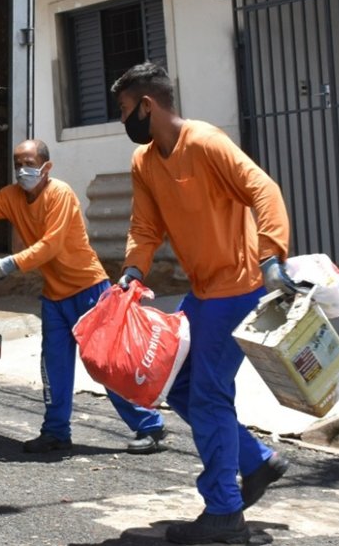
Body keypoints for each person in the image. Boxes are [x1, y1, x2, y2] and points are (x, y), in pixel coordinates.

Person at [111, 62, 294, 544]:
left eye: (126, 110)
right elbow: (146, 227)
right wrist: (134, 268)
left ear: (148, 106)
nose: (123, 120)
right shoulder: (145, 162)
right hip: (202, 293)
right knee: (179, 386)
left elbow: (263, 189)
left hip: (239, 287)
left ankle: (224, 513)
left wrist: (273, 254)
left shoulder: (206, 143)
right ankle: (256, 461)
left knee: (210, 394)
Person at [0, 139, 166, 455]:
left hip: (89, 292)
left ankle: (150, 426)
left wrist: (8, 264)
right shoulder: (12, 197)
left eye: (28, 163)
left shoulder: (61, 194)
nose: (22, 171)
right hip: (54, 296)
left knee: (105, 364)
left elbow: (50, 245)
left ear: (46, 167)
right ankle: (55, 432)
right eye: (17, 164)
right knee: (53, 367)